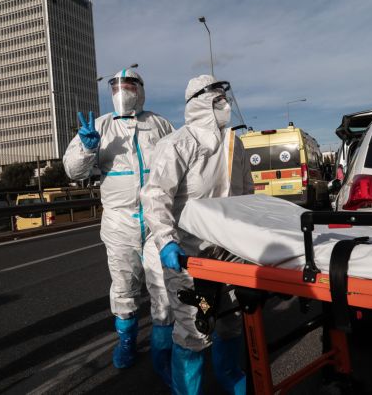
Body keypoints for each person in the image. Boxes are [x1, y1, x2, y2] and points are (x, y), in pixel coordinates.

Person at [141, 74, 253, 395]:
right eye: (217, 100)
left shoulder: (234, 145)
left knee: (230, 321)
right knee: (194, 328)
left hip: (227, 252)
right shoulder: (177, 144)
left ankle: (230, 375)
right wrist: (166, 241)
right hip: (188, 257)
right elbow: (155, 196)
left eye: (225, 99)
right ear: (200, 104)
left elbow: (246, 194)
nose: (225, 105)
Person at [62, 69, 175, 386]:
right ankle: (127, 342)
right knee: (124, 286)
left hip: (157, 220)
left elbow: (179, 163)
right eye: (116, 87)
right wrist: (86, 148)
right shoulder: (100, 126)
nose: (122, 92)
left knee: (163, 287)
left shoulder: (160, 124)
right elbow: (73, 171)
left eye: (128, 86)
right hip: (118, 222)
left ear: (141, 90)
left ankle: (162, 350)